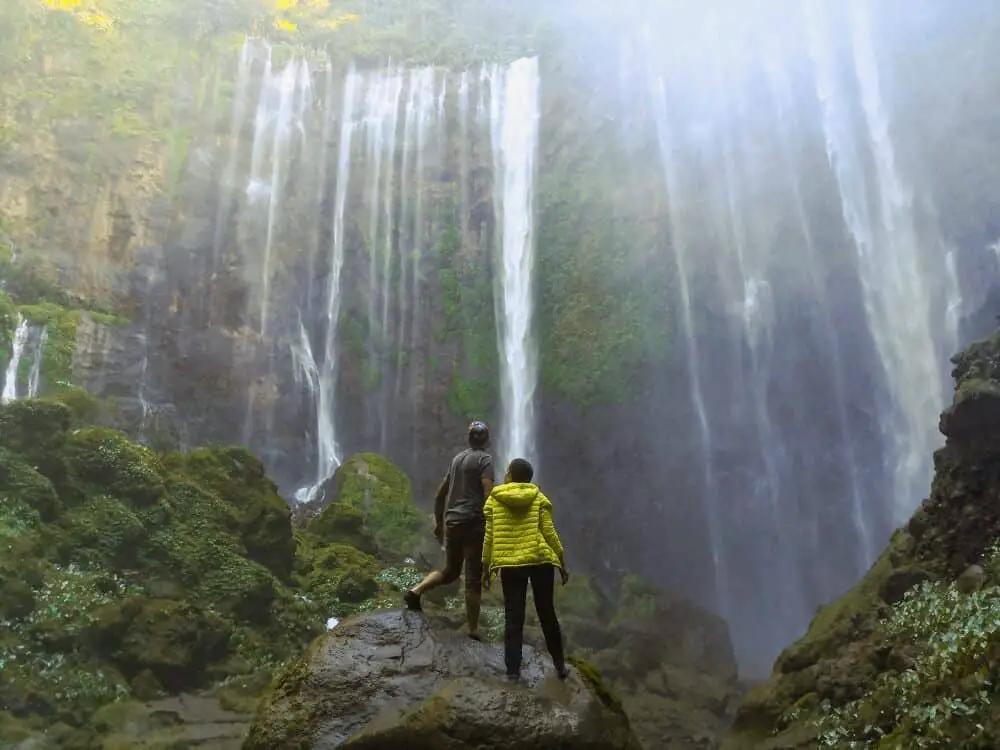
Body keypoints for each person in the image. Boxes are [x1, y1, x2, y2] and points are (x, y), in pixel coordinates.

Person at [403, 420, 495, 640]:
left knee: (451, 571)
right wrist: (492, 525)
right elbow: (488, 494)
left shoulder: (457, 460)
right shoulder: (485, 460)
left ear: (469, 438)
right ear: (487, 440)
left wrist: (438, 523)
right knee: (473, 578)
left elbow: (439, 495)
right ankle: (473, 629)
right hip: (473, 523)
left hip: (452, 521)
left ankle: (416, 591)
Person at [482, 457, 570, 681]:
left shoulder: (494, 500)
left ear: (510, 475)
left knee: (513, 615)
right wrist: (561, 560)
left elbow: (489, 537)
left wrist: (486, 567)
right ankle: (560, 665)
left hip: (510, 563)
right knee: (546, 612)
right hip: (539, 559)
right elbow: (549, 533)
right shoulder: (538, 497)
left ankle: (512, 672)